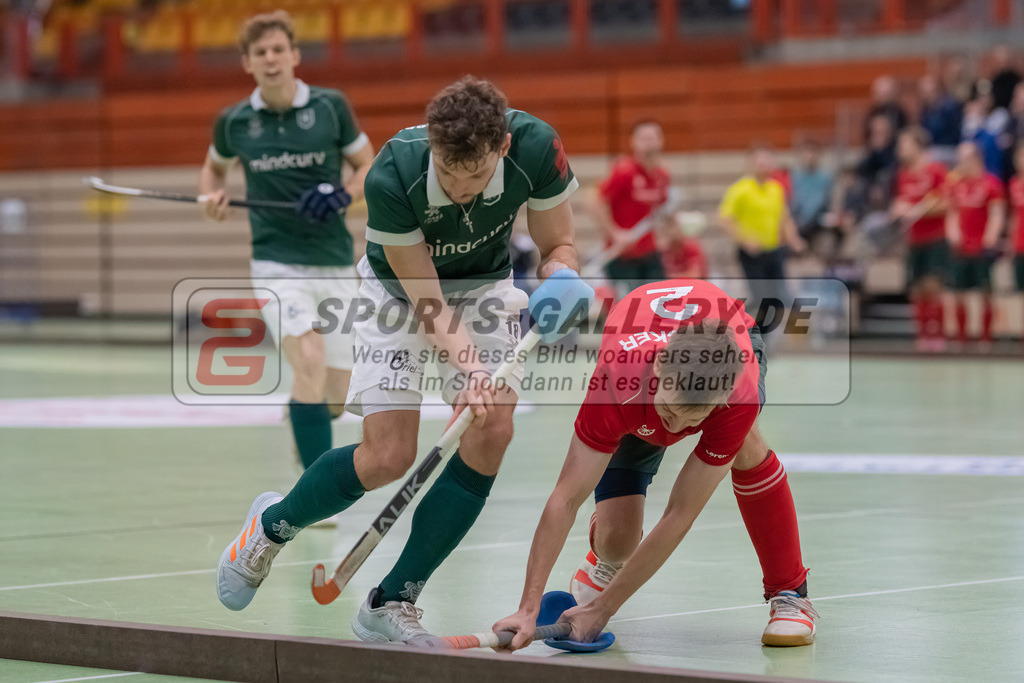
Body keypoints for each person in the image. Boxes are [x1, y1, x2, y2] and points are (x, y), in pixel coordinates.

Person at [215, 76, 594, 645]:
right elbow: (428, 303)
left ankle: (393, 599)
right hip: (398, 293)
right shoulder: (392, 173)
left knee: (492, 429)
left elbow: (557, 245)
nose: (460, 189)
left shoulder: (538, 147)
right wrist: (472, 370)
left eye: (475, 176)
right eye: (448, 173)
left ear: (503, 147)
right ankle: (272, 526)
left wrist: (563, 276)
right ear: (434, 148)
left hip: (485, 288)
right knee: (389, 456)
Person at [493, 280, 816, 650]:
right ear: (660, 367)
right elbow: (565, 497)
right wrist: (527, 608)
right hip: (639, 381)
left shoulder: (736, 395)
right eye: (669, 412)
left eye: (691, 419)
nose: (674, 430)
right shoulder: (615, 382)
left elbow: (679, 514)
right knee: (617, 543)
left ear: (723, 397)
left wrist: (603, 608)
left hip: (728, 332)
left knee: (746, 443)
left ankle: (790, 593)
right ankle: (605, 556)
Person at [198, 10, 375, 471]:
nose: (271, 58)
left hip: (333, 260)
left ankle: (302, 412)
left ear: (295, 56)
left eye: (278, 49)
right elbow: (214, 168)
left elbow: (366, 165)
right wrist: (211, 196)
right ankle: (315, 491)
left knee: (336, 394)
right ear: (247, 63)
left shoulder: (330, 107)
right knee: (309, 361)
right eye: (260, 52)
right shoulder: (234, 122)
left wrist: (343, 194)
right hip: (276, 263)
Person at [718, 145, 805, 331]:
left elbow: (784, 218)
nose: (764, 165)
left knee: (779, 298)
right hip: (752, 255)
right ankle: (733, 325)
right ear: (750, 163)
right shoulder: (740, 189)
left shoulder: (776, 189)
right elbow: (725, 220)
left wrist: (794, 239)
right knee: (760, 298)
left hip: (774, 252)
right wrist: (744, 240)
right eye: (759, 161)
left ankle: (761, 336)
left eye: (767, 160)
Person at [590, 119, 670, 297]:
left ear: (661, 140)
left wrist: (665, 235)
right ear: (633, 142)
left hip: (650, 254)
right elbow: (595, 203)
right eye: (644, 138)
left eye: (653, 138)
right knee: (631, 308)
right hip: (622, 256)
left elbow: (660, 212)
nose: (649, 143)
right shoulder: (624, 172)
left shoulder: (662, 175)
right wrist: (615, 233)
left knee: (659, 304)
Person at [892, 126, 950, 351]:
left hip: (934, 238)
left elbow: (944, 202)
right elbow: (901, 203)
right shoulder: (903, 175)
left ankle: (938, 335)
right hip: (913, 240)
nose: (900, 149)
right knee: (916, 289)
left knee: (932, 287)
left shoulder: (936, 171)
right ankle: (922, 336)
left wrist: (918, 210)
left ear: (918, 146)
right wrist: (899, 210)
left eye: (904, 144)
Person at [945, 141, 1005, 349]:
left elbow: (996, 214)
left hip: (982, 246)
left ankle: (985, 337)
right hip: (961, 247)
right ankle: (961, 338)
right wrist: (953, 233)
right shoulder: (956, 185)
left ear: (976, 159)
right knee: (958, 292)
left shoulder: (991, 183)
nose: (960, 163)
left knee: (985, 291)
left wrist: (990, 237)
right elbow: (952, 212)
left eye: (964, 159)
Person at [788, 138, 834, 254]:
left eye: (812, 152)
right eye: (805, 152)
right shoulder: (795, 176)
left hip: (818, 222)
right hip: (797, 221)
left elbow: (826, 203)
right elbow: (792, 202)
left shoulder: (826, 177)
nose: (809, 156)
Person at [917, 73, 963, 167]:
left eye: (928, 91)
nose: (926, 95)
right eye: (923, 92)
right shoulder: (926, 109)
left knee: (925, 159)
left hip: (949, 148)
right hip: (932, 148)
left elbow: (953, 133)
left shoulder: (949, 107)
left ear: (937, 90)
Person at [1007, 142, 1024, 342]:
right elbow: (1013, 216)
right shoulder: (1014, 184)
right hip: (1020, 246)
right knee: (1021, 292)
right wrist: (1011, 242)